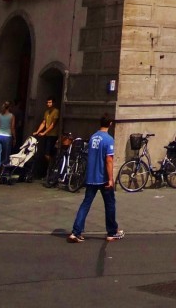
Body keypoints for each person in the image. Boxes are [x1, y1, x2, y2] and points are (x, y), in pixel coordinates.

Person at [67, 115, 124, 243]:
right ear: (110, 124)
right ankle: (112, 232)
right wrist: (110, 179)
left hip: (91, 176)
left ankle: (76, 232)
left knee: (86, 203)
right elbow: (109, 160)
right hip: (102, 177)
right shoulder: (108, 139)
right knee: (110, 204)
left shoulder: (93, 137)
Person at [33, 97, 60, 177]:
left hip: (53, 135)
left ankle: (53, 167)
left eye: (50, 102)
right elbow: (43, 123)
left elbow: (53, 124)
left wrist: (44, 132)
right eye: (47, 102)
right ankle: (50, 169)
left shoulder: (56, 111)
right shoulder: (46, 112)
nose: (48, 104)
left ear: (53, 103)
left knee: (47, 154)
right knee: (46, 154)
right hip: (48, 135)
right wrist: (38, 131)